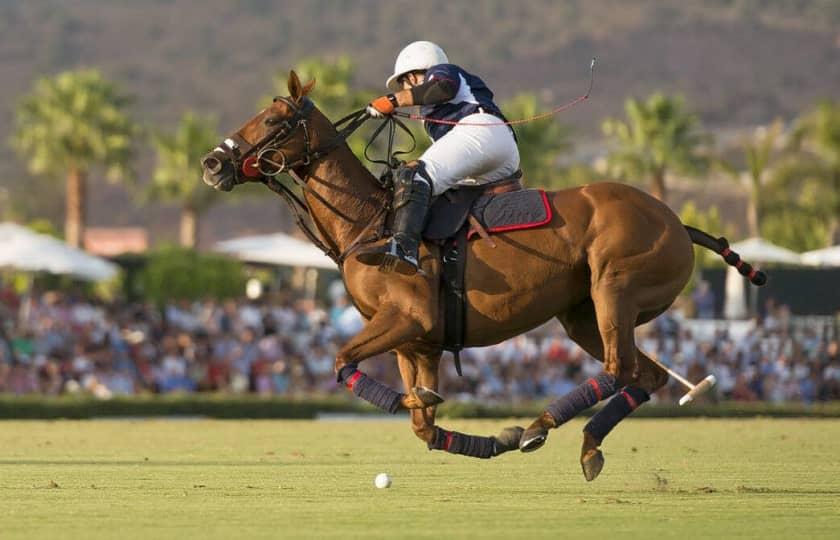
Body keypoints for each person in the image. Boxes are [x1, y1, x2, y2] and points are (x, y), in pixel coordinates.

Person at [355, 41, 521, 275]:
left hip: (482, 130)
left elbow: (444, 88)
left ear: (414, 76)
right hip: (498, 151)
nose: (404, 89)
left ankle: (404, 248)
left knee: (415, 176)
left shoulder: (442, 71)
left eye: (403, 83)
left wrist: (393, 100)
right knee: (429, 190)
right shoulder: (431, 115)